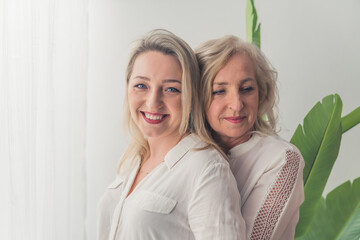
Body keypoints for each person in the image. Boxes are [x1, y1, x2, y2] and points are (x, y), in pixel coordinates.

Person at [97, 29, 245, 240]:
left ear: (190, 96)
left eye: (171, 89)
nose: (152, 102)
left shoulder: (206, 169)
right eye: (141, 86)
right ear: (127, 88)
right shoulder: (131, 163)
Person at [195, 35, 305, 240]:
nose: (237, 104)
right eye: (219, 91)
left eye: (246, 89)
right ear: (197, 97)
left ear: (260, 92)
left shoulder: (281, 159)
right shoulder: (187, 152)